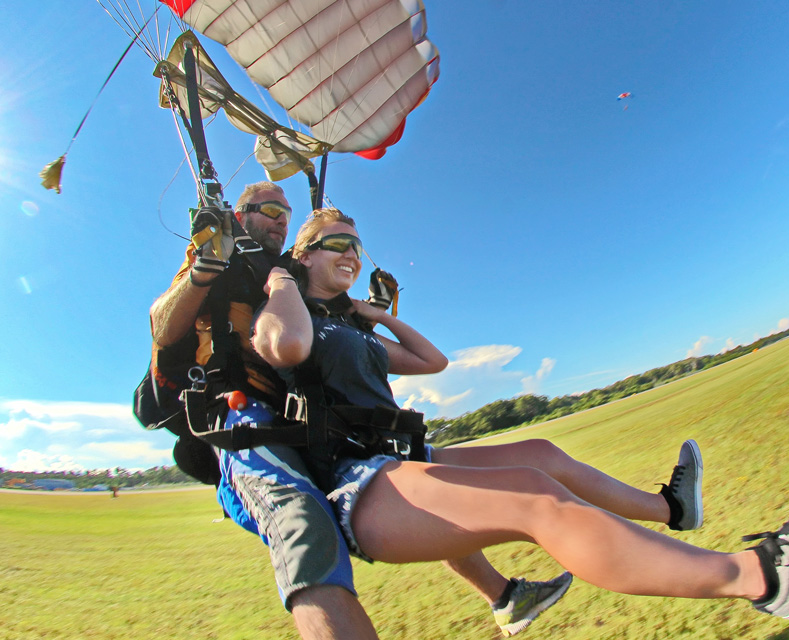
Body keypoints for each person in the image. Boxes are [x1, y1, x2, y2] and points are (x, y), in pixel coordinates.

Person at [252, 207, 789, 632]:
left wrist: (370, 311)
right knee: (536, 497)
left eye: (358, 246)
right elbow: (286, 348)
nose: (353, 254)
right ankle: (760, 577)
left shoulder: (347, 325)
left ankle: (674, 508)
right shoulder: (288, 309)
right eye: (338, 244)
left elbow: (431, 361)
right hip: (355, 483)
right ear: (304, 253)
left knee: (540, 453)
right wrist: (283, 279)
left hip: (398, 457)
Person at [151, 183, 618, 638]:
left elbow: (345, 349)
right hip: (241, 415)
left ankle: (504, 596)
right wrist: (205, 268)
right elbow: (162, 324)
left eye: (286, 214)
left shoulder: (289, 271)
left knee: (412, 480)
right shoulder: (221, 254)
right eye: (268, 211)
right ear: (239, 213)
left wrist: (375, 308)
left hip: (305, 413)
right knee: (301, 521)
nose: (279, 221)